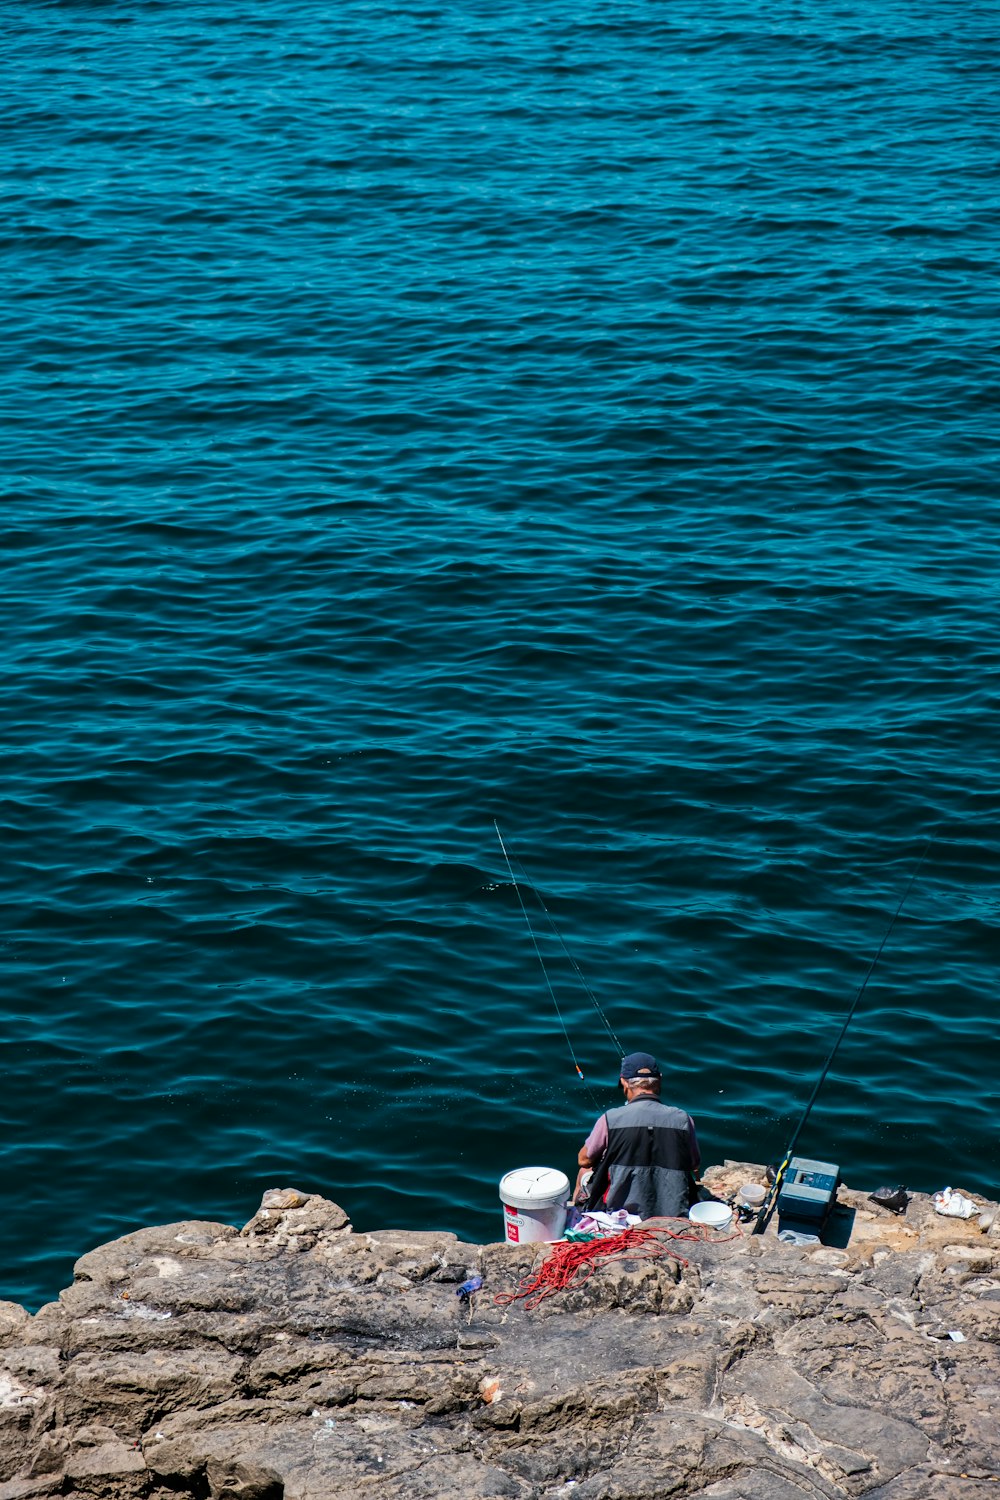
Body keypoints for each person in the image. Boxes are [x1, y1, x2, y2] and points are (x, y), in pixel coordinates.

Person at [574, 1051, 700, 1219]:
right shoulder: (683, 1119)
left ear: (624, 1082)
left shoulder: (610, 1119)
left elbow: (584, 1159)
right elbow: (694, 1163)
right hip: (672, 1213)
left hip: (620, 1212)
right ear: (659, 1079)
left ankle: (577, 1217)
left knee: (584, 1170)